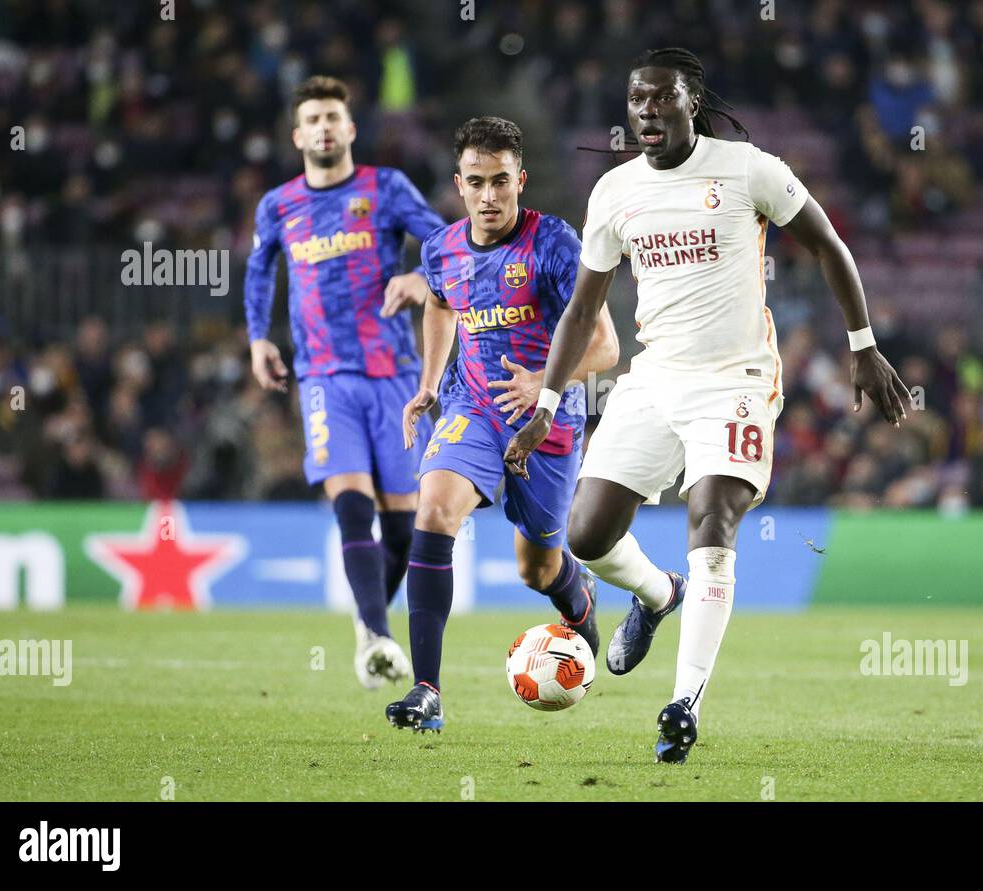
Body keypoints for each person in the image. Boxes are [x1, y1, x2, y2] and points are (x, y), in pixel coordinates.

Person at [505, 48, 909, 763]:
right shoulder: (615, 192)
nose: (648, 111)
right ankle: (660, 593)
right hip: (655, 376)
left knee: (712, 517)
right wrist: (548, 398)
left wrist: (863, 343)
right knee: (588, 534)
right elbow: (581, 310)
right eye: (637, 100)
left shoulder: (748, 167)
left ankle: (683, 703)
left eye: (662, 98)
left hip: (737, 380)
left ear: (692, 101)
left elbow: (827, 243)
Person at [385, 116, 619, 732]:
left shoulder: (556, 245)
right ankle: (427, 691)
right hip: (473, 407)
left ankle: (578, 595)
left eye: (500, 182)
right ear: (458, 184)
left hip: (547, 421)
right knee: (433, 510)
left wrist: (545, 383)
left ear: (521, 180)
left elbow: (606, 348)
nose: (489, 197)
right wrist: (430, 384)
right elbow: (439, 303)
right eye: (476, 183)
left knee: (536, 569)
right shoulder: (442, 249)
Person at [244, 75, 445, 690]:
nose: (325, 127)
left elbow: (446, 240)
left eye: (334, 115)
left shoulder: (384, 188)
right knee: (352, 508)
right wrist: (258, 337)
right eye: (314, 119)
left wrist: (419, 277)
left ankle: (367, 629)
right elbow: (259, 269)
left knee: (406, 528)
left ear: (350, 129)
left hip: (396, 377)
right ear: (298, 134)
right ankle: (380, 637)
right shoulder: (278, 205)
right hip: (326, 377)